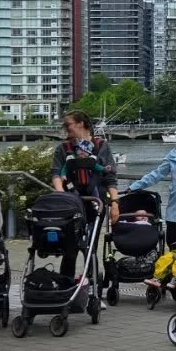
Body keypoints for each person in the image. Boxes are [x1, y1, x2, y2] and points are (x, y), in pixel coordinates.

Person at [51, 111, 120, 276]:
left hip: (96, 201)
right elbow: (56, 174)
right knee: (70, 246)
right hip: (71, 202)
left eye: (68, 125)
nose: (65, 129)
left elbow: (110, 177)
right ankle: (66, 282)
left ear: (81, 123)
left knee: (90, 246)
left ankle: (92, 282)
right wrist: (61, 195)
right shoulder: (63, 148)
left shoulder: (101, 146)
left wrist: (115, 203)